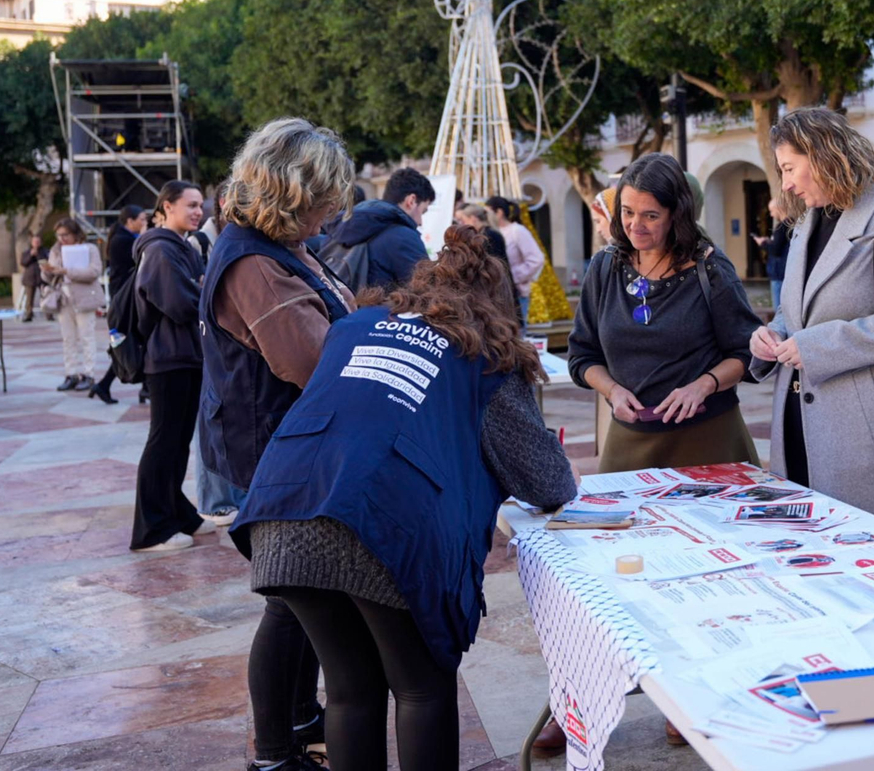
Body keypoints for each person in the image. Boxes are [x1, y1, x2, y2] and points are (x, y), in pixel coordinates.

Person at [232, 226, 576, 771]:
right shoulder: (481, 350)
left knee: (350, 690)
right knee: (422, 686)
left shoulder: (358, 325)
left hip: (283, 509)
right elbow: (547, 480)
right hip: (380, 521)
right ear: (496, 302)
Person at [198, 117, 357, 771]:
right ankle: (272, 755)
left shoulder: (275, 246)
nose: (330, 218)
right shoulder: (256, 262)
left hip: (288, 447)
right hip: (275, 453)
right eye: (325, 203)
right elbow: (311, 360)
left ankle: (296, 715)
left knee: (302, 595)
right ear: (294, 192)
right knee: (294, 602)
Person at [748, 108, 874, 527]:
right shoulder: (804, 227)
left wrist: (818, 345)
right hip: (797, 423)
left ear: (822, 155)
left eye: (789, 168)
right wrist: (771, 334)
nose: (785, 183)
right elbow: (795, 311)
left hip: (866, 436)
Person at [570, 152, 763, 474]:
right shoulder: (605, 266)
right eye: (627, 212)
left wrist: (702, 386)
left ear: (677, 215)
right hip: (628, 439)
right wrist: (613, 391)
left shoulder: (710, 269)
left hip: (710, 437)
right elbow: (582, 355)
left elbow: (747, 352)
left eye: (651, 216)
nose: (635, 225)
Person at [129, 181, 213, 552]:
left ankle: (178, 513)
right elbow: (182, 304)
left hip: (185, 355)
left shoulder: (182, 246)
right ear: (167, 206)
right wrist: (203, 290)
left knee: (178, 443)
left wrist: (200, 288)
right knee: (164, 441)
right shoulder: (161, 250)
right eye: (190, 205)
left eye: (200, 206)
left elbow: (197, 293)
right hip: (168, 359)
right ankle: (152, 529)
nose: (198, 211)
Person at [321, 167, 433, 291]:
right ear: (411, 201)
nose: (420, 222)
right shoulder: (403, 237)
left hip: (341, 306)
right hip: (382, 308)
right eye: (423, 211)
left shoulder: (346, 224)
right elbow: (428, 292)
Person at [90, 205, 150, 404]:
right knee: (128, 343)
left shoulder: (124, 238)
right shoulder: (122, 240)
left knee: (136, 341)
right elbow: (142, 254)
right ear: (130, 221)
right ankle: (105, 384)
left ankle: (143, 388)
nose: (144, 223)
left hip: (126, 297)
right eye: (141, 219)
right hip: (125, 300)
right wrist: (144, 235)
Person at [41, 219, 105, 393]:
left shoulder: (89, 249)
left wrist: (67, 271)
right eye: (59, 235)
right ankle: (71, 374)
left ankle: (89, 374)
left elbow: (94, 271)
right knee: (68, 338)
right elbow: (49, 278)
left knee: (86, 337)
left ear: (75, 233)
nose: (62, 239)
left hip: (84, 298)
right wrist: (47, 271)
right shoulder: (56, 250)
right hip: (63, 298)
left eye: (65, 235)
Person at [487, 195, 546, 325]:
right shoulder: (492, 231)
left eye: (489, 212)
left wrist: (514, 276)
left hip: (517, 292)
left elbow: (536, 259)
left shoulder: (517, 231)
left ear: (499, 212)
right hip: (497, 293)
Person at [752, 197, 790, 310]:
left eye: (772, 211)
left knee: (779, 311)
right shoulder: (790, 225)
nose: (771, 215)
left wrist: (762, 243)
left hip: (779, 275)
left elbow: (775, 250)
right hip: (782, 273)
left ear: (779, 209)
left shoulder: (783, 227)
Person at [453, 202, 508, 270]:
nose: (463, 224)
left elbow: (494, 261)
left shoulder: (490, 235)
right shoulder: (485, 233)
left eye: (464, 221)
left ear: (473, 218)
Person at [18, 233, 48, 322]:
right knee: (29, 298)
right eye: (35, 241)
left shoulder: (44, 251)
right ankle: (29, 314)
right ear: (31, 242)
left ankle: (49, 314)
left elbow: (46, 262)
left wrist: (38, 255)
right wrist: (31, 255)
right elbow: (23, 263)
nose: (36, 243)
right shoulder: (26, 252)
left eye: (38, 241)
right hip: (30, 278)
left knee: (46, 296)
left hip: (42, 277)